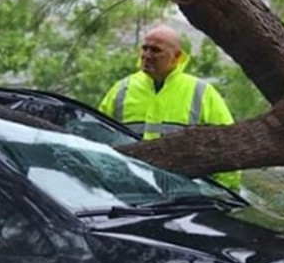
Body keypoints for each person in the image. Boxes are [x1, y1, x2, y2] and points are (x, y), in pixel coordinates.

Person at [100, 24, 240, 190]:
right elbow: (96, 138)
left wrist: (224, 193)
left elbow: (229, 146)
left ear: (177, 56)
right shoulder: (121, 89)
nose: (147, 55)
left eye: (155, 50)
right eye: (144, 48)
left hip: (185, 197)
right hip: (127, 193)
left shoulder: (202, 92)